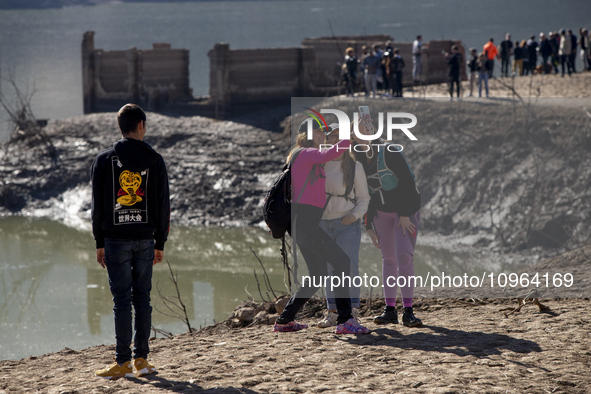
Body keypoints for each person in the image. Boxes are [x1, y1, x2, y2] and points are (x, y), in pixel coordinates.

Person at [92, 104, 170, 380]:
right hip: (146, 239)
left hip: (115, 240)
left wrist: (98, 242)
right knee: (143, 299)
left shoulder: (103, 160)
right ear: (140, 126)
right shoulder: (155, 160)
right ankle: (142, 360)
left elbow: (98, 207)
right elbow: (162, 206)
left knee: (122, 301)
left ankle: (122, 362)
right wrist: (160, 242)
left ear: (120, 126)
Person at [274, 122, 370, 335]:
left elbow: (334, 158)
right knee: (342, 261)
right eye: (319, 132)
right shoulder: (305, 152)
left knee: (317, 274)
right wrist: (351, 135)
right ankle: (345, 320)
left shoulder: (308, 156)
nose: (323, 135)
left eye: (324, 132)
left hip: (302, 222)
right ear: (307, 135)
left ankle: (284, 320)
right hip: (306, 221)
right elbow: (333, 152)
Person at [352, 116, 422, 328]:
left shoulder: (389, 151)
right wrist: (368, 226)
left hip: (405, 213)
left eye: (366, 131)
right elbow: (363, 194)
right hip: (380, 215)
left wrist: (404, 214)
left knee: (403, 257)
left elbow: (409, 184)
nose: (362, 136)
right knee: (389, 260)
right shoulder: (358, 158)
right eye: (357, 133)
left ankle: (408, 311)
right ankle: (390, 310)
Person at [316, 124, 370, 328]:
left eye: (340, 136)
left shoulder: (355, 167)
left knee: (349, 268)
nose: (335, 140)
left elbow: (364, 198)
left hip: (346, 225)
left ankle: (352, 312)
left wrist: (354, 216)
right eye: (332, 136)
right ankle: (332, 313)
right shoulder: (318, 163)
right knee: (329, 269)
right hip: (322, 224)